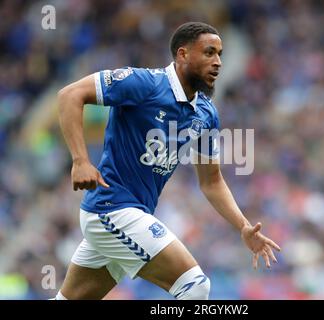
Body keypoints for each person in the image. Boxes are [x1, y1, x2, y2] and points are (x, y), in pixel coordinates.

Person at [56, 21, 280, 300]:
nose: (218, 62)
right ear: (183, 54)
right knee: (195, 285)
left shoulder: (206, 114)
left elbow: (211, 182)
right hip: (111, 210)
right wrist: (80, 160)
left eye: (220, 54)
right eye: (209, 52)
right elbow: (70, 95)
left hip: (132, 214)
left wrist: (244, 227)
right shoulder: (143, 84)